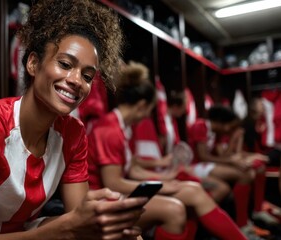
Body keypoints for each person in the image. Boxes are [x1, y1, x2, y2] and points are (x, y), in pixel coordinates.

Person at [0, 1, 148, 239]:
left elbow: (78, 220)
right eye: (65, 64)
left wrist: (106, 222)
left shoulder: (73, 133)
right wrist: (70, 226)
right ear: (33, 63)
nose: (77, 80)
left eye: (87, 76)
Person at [87, 61, 246, 240]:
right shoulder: (109, 130)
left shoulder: (123, 127)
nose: (148, 116)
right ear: (141, 105)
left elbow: (132, 169)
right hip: (103, 199)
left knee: (193, 190)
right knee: (174, 210)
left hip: (119, 192)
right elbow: (113, 182)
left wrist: (164, 178)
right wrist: (161, 186)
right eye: (149, 110)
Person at [187, 105, 274, 238]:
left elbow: (224, 155)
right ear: (221, 122)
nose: (230, 130)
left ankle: (246, 220)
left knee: (251, 170)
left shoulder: (216, 132)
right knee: (244, 174)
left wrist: (237, 152)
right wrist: (232, 160)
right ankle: (242, 224)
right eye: (230, 126)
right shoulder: (201, 125)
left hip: (207, 165)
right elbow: (203, 156)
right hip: (194, 166)